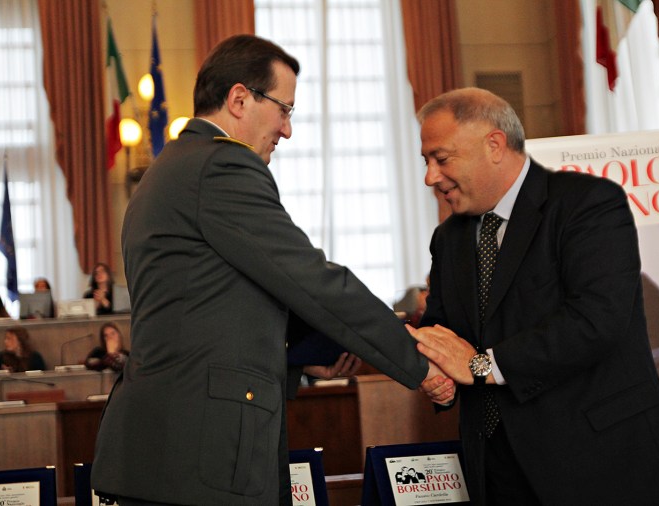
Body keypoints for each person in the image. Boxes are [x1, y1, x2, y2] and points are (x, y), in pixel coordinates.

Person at [91, 34, 438, 506]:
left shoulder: (174, 166)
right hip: (199, 456)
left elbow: (210, 307)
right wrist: (420, 361)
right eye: (284, 109)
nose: (287, 130)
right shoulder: (221, 165)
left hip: (169, 449)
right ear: (239, 99)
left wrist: (299, 354)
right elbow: (311, 280)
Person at [410, 88, 659, 505]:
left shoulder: (588, 204)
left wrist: (480, 366)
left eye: (442, 159)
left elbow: (597, 320)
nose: (431, 177)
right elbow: (444, 332)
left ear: (494, 145)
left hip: (598, 464)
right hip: (496, 469)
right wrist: (438, 373)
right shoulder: (448, 238)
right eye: (426, 162)